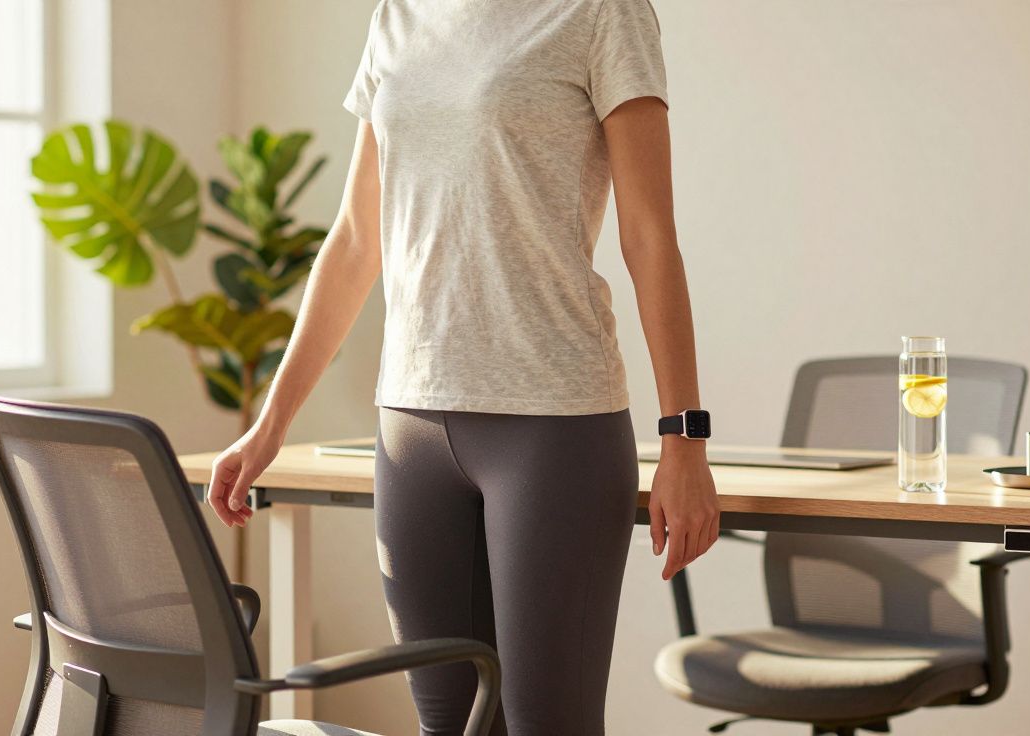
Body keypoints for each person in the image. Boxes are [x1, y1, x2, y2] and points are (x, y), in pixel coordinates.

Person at [206, 0, 719, 733]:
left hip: (553, 424)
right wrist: (270, 425)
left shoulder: (603, 11)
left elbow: (649, 233)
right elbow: (356, 239)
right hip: (411, 428)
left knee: (549, 724)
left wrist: (685, 440)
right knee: (449, 725)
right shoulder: (398, 15)